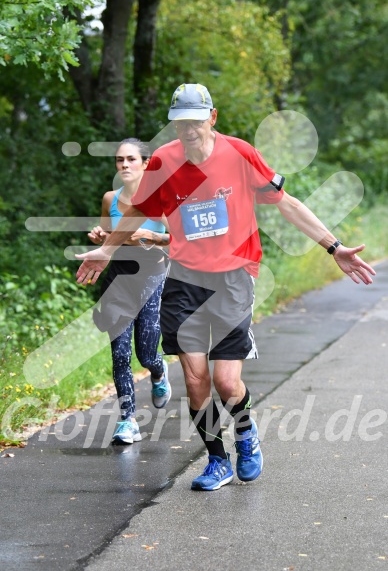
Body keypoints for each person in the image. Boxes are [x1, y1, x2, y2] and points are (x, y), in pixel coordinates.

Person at [76, 84, 376, 488]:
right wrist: (107, 251)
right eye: (181, 123)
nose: (189, 130)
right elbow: (136, 212)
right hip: (184, 279)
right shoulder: (163, 160)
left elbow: (286, 202)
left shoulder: (238, 154)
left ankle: (246, 435)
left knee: (226, 382)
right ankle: (217, 460)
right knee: (196, 378)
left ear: (212, 118)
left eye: (196, 121)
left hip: (234, 277)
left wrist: (334, 247)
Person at [89, 138, 171, 445]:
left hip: (152, 278)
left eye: (131, 159)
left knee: (146, 352)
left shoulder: (162, 199)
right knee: (120, 354)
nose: (124, 165)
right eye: (119, 160)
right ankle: (127, 420)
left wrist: (149, 235)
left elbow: (178, 240)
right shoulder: (110, 197)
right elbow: (106, 239)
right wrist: (100, 236)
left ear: (146, 164)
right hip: (118, 281)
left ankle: (159, 371)